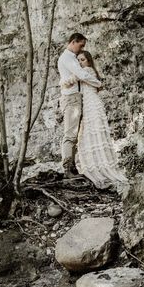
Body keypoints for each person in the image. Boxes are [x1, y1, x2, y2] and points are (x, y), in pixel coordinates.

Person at [70, 50, 128, 190]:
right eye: (78, 60)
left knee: (93, 134)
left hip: (92, 105)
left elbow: (83, 81)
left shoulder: (88, 70)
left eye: (82, 60)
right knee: (87, 135)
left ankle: (100, 167)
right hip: (88, 104)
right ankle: (95, 164)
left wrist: (67, 80)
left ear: (88, 61)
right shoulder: (84, 71)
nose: (80, 63)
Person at [57, 33, 101, 178]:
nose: (81, 48)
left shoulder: (70, 58)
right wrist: (98, 83)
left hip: (75, 98)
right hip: (71, 99)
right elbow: (81, 74)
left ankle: (73, 168)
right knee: (70, 134)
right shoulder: (67, 58)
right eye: (81, 45)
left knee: (74, 135)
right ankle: (67, 169)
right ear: (73, 42)